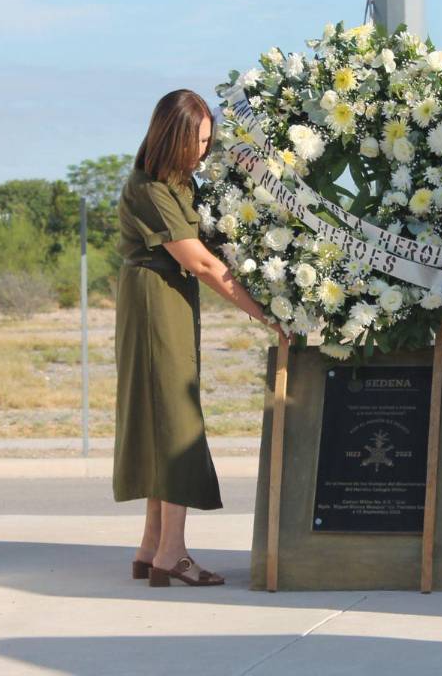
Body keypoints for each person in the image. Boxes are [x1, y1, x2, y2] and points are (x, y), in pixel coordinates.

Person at [114, 89, 283, 588]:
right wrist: (264, 313)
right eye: (197, 141)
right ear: (172, 137)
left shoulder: (173, 183)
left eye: (208, 141)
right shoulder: (151, 189)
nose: (203, 152)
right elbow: (201, 262)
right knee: (177, 422)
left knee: (159, 418)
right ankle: (173, 553)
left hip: (161, 297)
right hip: (155, 301)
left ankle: (151, 547)